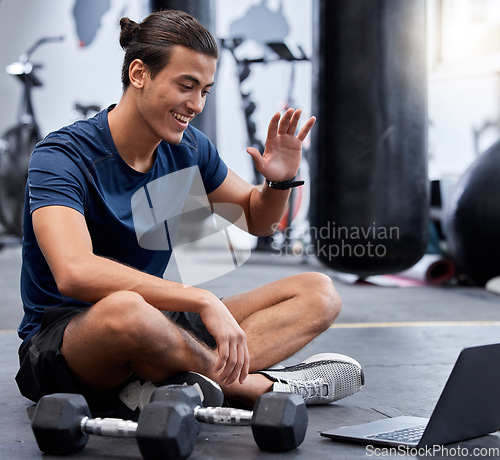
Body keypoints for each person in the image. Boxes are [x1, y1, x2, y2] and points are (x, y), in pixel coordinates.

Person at [15, 10, 364, 416]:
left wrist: (279, 182)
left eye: (205, 90)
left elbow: (258, 219)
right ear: (139, 73)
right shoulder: (62, 155)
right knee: (127, 309)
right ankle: (255, 386)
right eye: (187, 86)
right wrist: (199, 299)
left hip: (160, 323)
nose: (196, 104)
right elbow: (74, 271)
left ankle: (176, 383)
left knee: (318, 292)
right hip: (69, 342)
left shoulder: (189, 148)